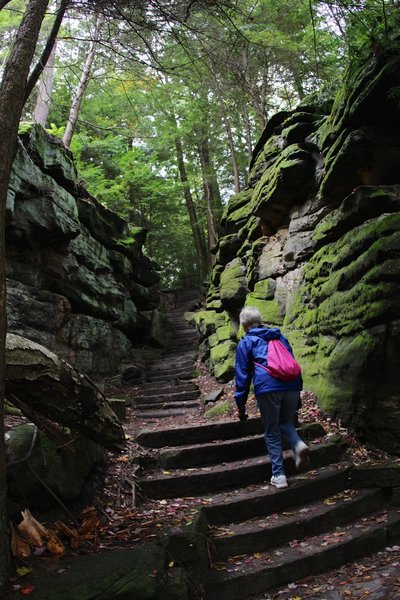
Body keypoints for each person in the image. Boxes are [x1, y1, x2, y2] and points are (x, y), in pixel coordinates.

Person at [234, 306, 309, 489]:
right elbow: (291, 361)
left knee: (271, 431)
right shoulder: (279, 336)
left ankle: (279, 475)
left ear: (244, 325)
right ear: (260, 320)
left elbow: (242, 376)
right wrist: (297, 392)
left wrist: (241, 404)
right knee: (285, 422)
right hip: (291, 385)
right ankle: (298, 445)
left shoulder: (247, 342)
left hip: (268, 387)